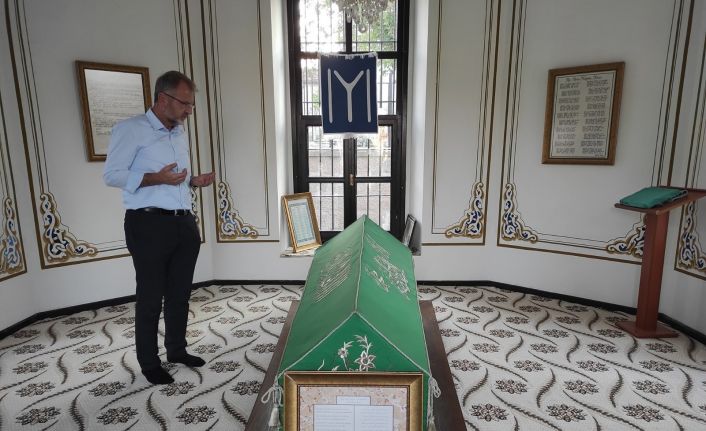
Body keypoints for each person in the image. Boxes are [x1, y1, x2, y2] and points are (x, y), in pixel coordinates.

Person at [103, 71, 215, 384]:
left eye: (191, 105)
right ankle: (149, 363)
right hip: (148, 224)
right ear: (163, 99)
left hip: (184, 222)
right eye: (185, 103)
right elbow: (112, 175)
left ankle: (177, 350)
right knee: (151, 298)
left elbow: (174, 179)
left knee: (180, 295)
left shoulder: (178, 132)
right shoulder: (130, 129)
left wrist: (193, 181)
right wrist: (156, 178)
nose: (189, 110)